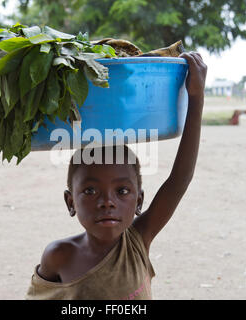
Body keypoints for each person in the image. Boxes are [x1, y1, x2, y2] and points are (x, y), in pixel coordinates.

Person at [26, 52, 207, 300]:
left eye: (122, 191)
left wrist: (196, 98)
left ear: (139, 201)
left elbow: (179, 181)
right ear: (70, 202)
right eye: (90, 191)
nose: (107, 202)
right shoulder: (58, 256)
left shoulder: (138, 241)